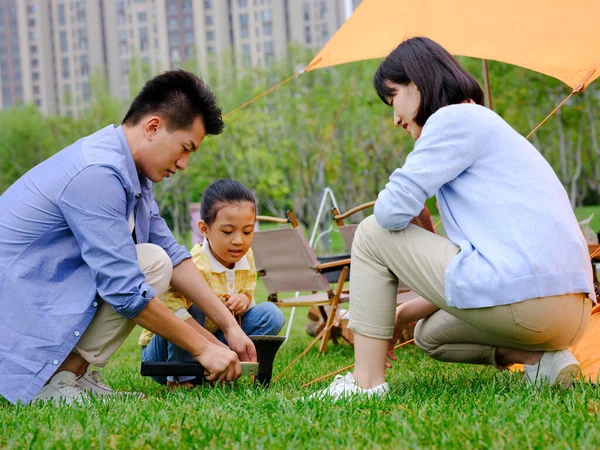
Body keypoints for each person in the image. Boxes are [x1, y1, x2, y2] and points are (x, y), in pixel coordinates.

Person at [310, 37, 595, 400]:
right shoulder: (484, 124)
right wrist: (402, 314)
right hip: (570, 313)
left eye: (393, 98)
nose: (395, 118)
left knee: (370, 233)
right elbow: (483, 272)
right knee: (430, 334)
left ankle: (365, 384)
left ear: (416, 83)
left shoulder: (453, 118)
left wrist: (409, 191)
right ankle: (541, 360)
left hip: (533, 301)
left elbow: (389, 211)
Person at [0, 70, 257, 406]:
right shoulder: (98, 173)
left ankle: (75, 374)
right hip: (17, 304)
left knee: (156, 260)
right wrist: (204, 347)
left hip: (44, 290)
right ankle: (55, 380)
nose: (183, 164)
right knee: (147, 266)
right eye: (184, 148)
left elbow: (173, 254)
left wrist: (229, 326)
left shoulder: (130, 172)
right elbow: (123, 289)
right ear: (152, 128)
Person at [138, 179, 285, 388]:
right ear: (204, 229)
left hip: (215, 337)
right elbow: (171, 310)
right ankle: (181, 379)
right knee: (194, 308)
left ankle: (221, 368)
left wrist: (244, 298)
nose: (238, 241)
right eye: (227, 232)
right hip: (165, 353)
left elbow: (248, 286)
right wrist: (208, 346)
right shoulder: (195, 263)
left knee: (271, 314)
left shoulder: (247, 255)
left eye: (247, 231)